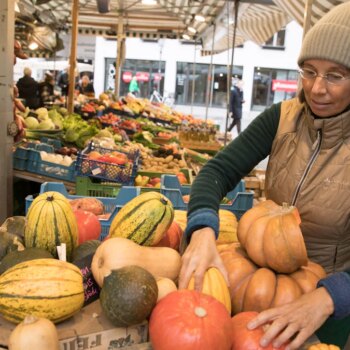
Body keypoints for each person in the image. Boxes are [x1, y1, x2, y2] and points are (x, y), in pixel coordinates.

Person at [179, 2, 350, 349]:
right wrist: (201, 229)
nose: (317, 88)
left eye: (335, 75)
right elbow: (218, 170)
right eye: (308, 71)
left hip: (329, 305)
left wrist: (330, 297)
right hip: (258, 282)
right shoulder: (282, 118)